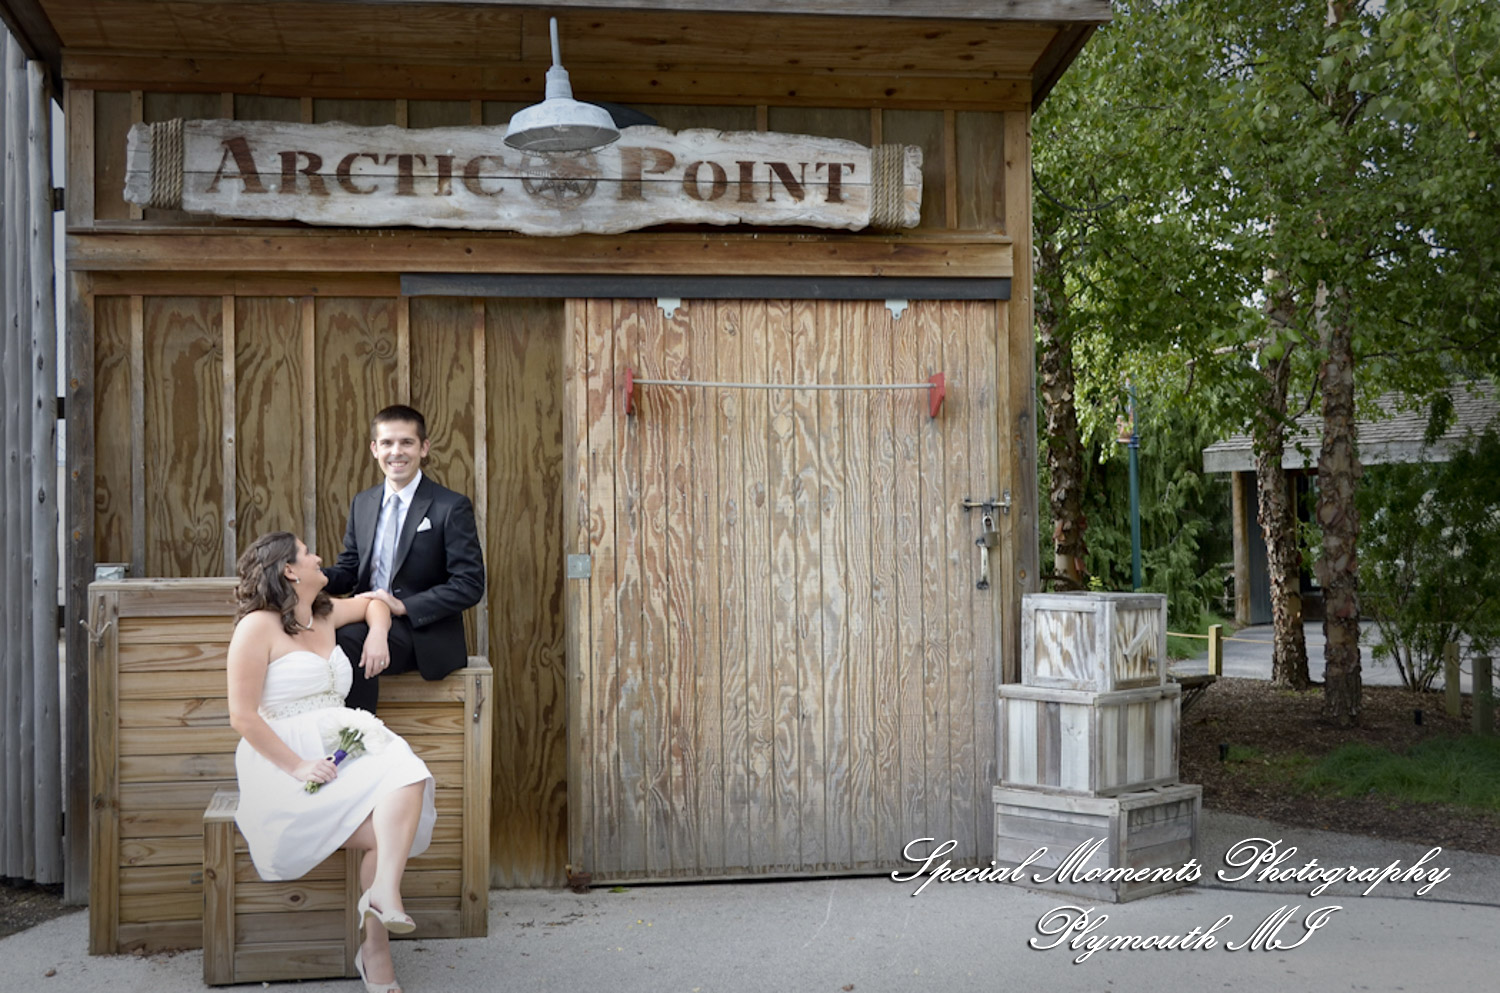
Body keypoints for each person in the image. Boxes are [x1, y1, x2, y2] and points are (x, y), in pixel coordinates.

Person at [229, 531, 437, 993]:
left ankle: (382, 895)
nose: (319, 558)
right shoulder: (256, 627)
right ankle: (377, 949)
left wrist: (378, 632)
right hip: (284, 752)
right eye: (308, 553)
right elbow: (242, 715)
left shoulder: (321, 612)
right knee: (388, 833)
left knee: (407, 771)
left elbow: (372, 603)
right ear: (288, 570)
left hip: (344, 742)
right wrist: (299, 765)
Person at [324, 404, 486, 713]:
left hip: (420, 633)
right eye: (387, 443)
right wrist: (311, 577)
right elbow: (350, 570)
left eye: (406, 442)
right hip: (366, 619)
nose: (396, 452)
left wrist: (404, 606)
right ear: (374, 449)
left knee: (346, 640)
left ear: (424, 447)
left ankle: (356, 739)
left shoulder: (450, 507)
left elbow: (469, 584)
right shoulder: (364, 503)